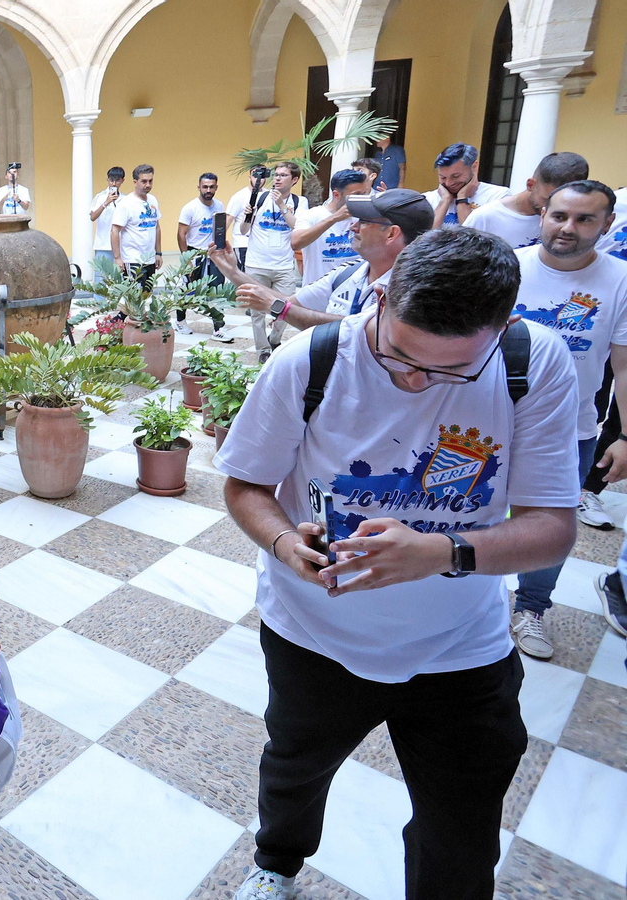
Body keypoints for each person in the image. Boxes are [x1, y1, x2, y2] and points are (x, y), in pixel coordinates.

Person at [215, 226, 580, 900]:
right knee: (295, 767)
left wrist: (443, 552)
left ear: (502, 328)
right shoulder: (311, 361)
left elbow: (552, 529)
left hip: (461, 646)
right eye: (400, 355)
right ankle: (276, 863)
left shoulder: (533, 363)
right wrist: (285, 544)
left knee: (462, 825)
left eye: (451, 370)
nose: (417, 381)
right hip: (314, 634)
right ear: (381, 298)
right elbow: (246, 486)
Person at [505, 181, 627, 660]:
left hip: (569, 430)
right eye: (559, 216)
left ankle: (530, 607)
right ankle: (458, 595)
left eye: (584, 219)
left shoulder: (619, 280)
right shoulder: (507, 267)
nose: (568, 228)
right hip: (486, 423)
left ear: (607, 224)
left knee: (551, 527)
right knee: (460, 509)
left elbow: (624, 367)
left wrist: (625, 435)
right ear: (542, 215)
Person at [210, 188, 435, 333]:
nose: (353, 226)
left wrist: (278, 307)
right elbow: (289, 301)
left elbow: (358, 330)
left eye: (364, 222)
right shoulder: (348, 274)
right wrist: (231, 270)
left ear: (391, 234)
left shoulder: (416, 291)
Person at [238, 162, 308, 361]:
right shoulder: (260, 198)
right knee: (256, 312)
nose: (277, 178)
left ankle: (274, 339)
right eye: (276, 174)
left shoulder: (300, 201)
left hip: (283, 266)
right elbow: (243, 230)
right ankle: (263, 350)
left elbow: (298, 228)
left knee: (287, 308)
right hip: (256, 263)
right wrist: (247, 214)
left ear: (294, 180)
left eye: (283, 175)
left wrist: (282, 206)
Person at [463, 151, 589, 250]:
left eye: (562, 202)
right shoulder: (485, 217)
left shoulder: (573, 224)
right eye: (546, 200)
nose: (552, 208)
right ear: (530, 185)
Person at [291, 169, 370, 287]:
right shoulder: (312, 215)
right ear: (336, 195)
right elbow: (296, 243)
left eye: (364, 193)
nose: (362, 198)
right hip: (318, 291)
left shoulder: (365, 216)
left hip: (354, 290)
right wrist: (334, 218)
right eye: (356, 195)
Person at [176, 172, 227, 335]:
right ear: (199, 187)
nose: (208, 190)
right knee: (188, 290)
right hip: (194, 253)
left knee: (218, 289)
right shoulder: (190, 208)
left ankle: (219, 327)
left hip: (214, 253)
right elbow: (181, 234)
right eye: (205, 187)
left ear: (216, 187)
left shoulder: (219, 205)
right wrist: (186, 259)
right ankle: (180, 320)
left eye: (212, 187)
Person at [432, 143, 509, 227]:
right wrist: (445, 200)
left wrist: (462, 198)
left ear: (474, 167)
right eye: (442, 177)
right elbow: (426, 234)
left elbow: (472, 234)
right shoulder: (428, 199)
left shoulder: (498, 196)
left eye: (456, 176)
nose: (448, 183)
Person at [111, 163, 162, 289]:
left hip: (150, 259)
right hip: (132, 259)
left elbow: (156, 227)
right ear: (135, 182)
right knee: (134, 297)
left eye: (150, 181)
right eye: (144, 181)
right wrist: (117, 258)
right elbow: (114, 231)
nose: (148, 185)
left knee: (146, 295)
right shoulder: (126, 204)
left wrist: (158, 253)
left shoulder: (153, 200)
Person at [225, 165, 271, 271]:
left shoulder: (268, 195)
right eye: (255, 175)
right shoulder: (239, 196)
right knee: (244, 274)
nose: (258, 179)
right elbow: (228, 220)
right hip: (243, 243)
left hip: (261, 244)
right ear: (249, 177)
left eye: (262, 176)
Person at [90, 166, 127, 275]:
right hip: (103, 245)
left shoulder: (126, 199)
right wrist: (106, 203)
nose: (114, 184)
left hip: (121, 247)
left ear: (122, 181)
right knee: (101, 279)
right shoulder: (100, 197)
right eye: (111, 180)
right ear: (107, 180)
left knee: (120, 279)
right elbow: (92, 217)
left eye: (117, 180)